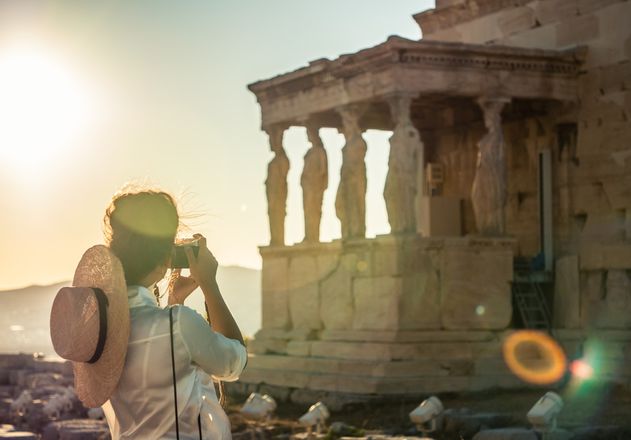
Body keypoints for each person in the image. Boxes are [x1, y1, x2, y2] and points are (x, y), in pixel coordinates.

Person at [100, 187, 247, 439]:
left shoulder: (101, 325)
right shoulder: (179, 324)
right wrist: (209, 285)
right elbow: (234, 362)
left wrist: (173, 301)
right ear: (166, 257)